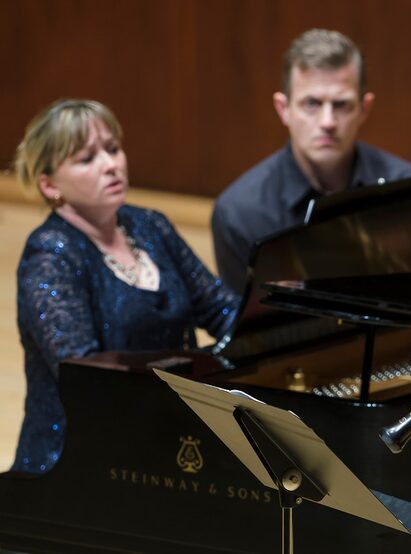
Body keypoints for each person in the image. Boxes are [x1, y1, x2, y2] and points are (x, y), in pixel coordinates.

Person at [12, 99, 240, 474]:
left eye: (113, 149)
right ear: (50, 185)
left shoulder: (151, 225)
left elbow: (220, 308)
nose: (110, 165)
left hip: (169, 432)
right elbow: (84, 376)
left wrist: (276, 332)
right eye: (87, 159)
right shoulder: (51, 256)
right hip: (81, 460)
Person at [211, 28, 411, 293]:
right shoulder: (240, 213)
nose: (327, 122)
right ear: (284, 109)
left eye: (341, 104)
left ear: (364, 109)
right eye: (311, 103)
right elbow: (246, 331)